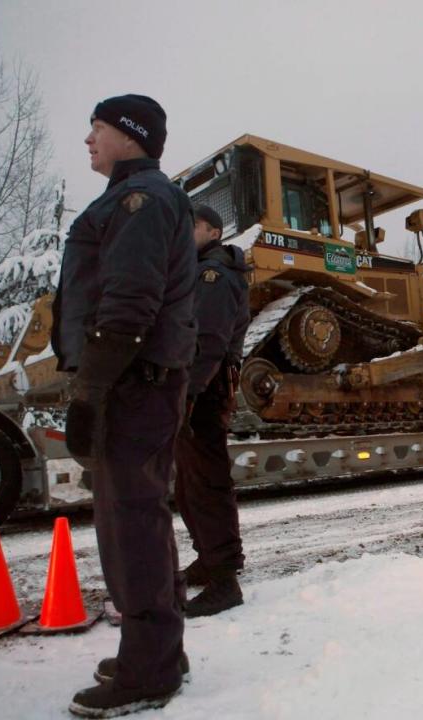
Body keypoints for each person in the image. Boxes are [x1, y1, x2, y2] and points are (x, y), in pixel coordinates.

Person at [52, 94, 197, 718]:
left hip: (131, 380)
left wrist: (92, 390)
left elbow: (129, 299)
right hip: (140, 379)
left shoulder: (139, 199)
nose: (88, 139)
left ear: (131, 136)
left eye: (99, 128)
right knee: (142, 515)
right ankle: (159, 651)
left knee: (129, 522)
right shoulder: (142, 198)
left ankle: (149, 670)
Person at [176, 204, 251, 617]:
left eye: (193, 226)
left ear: (215, 232)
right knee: (191, 482)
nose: (185, 232)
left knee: (206, 481)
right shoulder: (200, 271)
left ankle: (224, 579)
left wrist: (187, 393)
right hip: (198, 385)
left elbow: (207, 341)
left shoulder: (214, 276)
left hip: (203, 386)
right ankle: (212, 559)